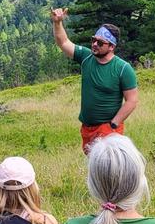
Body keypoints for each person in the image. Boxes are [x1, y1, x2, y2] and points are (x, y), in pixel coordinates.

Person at [50, 8, 138, 154]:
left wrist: (114, 124)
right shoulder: (86, 57)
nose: (95, 44)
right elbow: (63, 42)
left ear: (111, 46)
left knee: (109, 167)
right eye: (93, 40)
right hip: (87, 128)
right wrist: (57, 22)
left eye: (100, 43)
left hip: (108, 128)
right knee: (93, 165)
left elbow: (132, 101)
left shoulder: (123, 68)